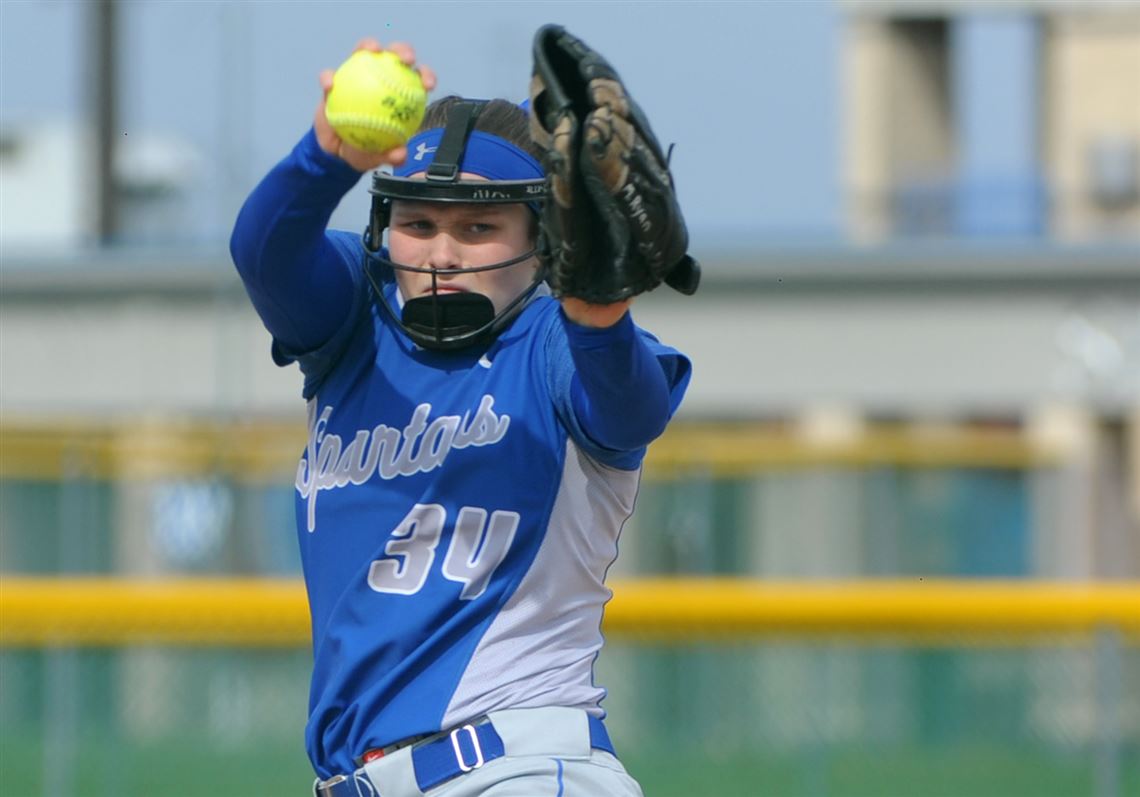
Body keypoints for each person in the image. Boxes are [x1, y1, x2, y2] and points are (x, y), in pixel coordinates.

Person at [230, 37, 692, 797]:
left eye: (479, 229)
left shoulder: (551, 342)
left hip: (513, 767)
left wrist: (601, 310)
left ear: (543, 242)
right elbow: (265, 254)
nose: (441, 252)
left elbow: (629, 408)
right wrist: (327, 157)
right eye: (417, 222)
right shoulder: (357, 322)